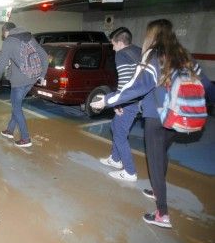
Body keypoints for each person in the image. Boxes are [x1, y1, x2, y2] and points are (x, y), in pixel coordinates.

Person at [90, 19, 214, 228]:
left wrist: (108, 100)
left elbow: (138, 85)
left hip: (157, 115)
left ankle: (162, 214)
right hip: (181, 115)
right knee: (162, 153)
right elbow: (208, 87)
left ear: (152, 35)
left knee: (155, 162)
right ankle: (157, 190)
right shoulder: (184, 55)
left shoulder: (153, 55)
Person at [0, 22, 48, 147]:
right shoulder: (29, 37)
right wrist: (42, 75)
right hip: (33, 78)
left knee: (16, 107)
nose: (4, 36)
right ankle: (9, 130)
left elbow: (1, 64)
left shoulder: (9, 41)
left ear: (6, 31)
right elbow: (44, 56)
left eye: (4, 34)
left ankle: (25, 138)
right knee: (16, 105)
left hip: (19, 81)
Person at [99, 27, 142, 182]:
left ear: (120, 42)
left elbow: (124, 82)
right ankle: (115, 159)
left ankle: (130, 172)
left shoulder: (122, 55)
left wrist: (118, 103)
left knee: (120, 134)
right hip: (139, 98)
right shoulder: (139, 51)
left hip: (129, 101)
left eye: (113, 44)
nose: (113, 47)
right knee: (115, 127)